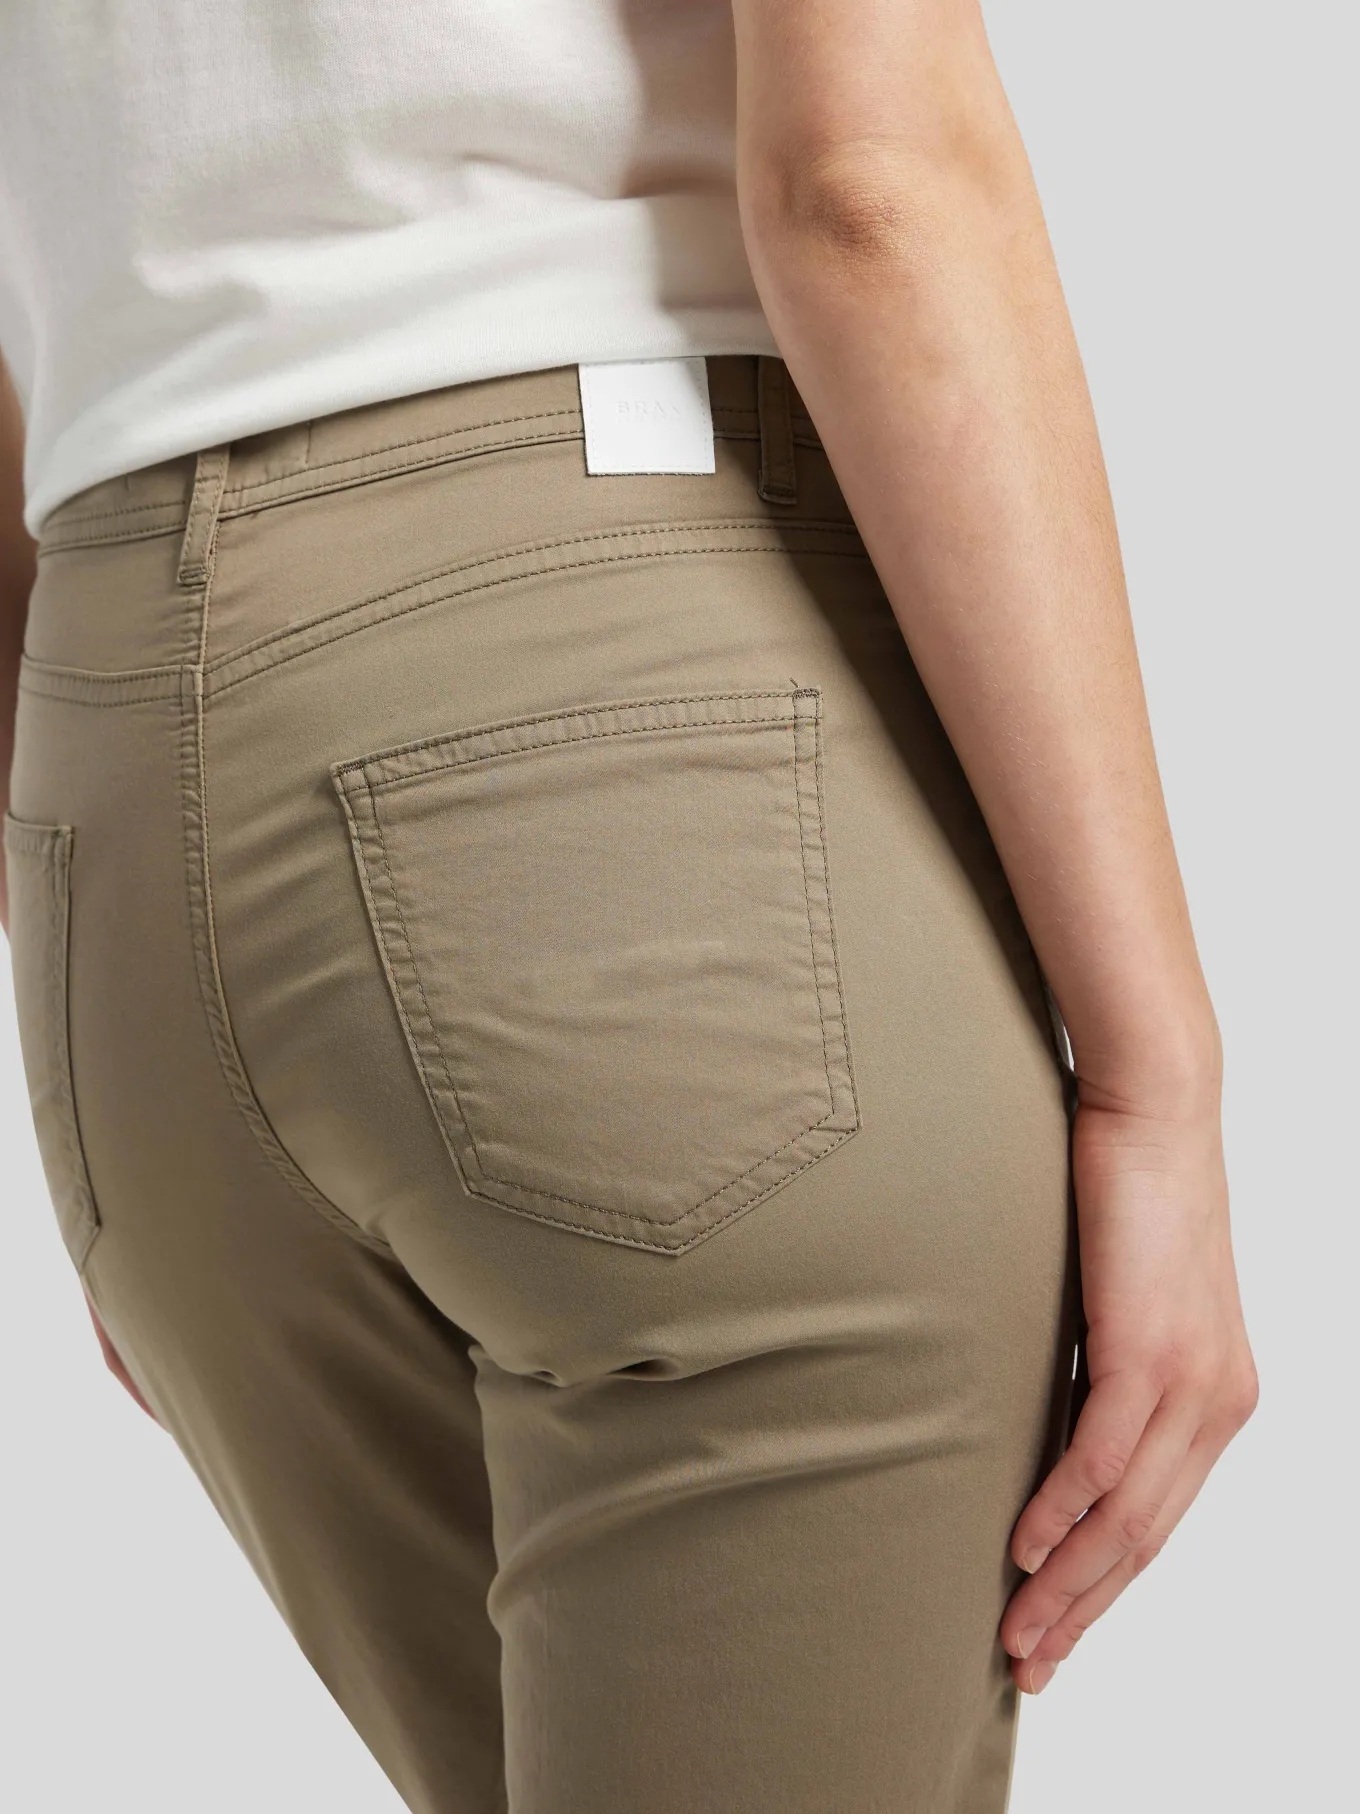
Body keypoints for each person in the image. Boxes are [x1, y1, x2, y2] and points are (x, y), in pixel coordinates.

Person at [0, 4, 1256, 1811]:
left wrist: (118, 1019)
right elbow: (867, 185)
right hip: (634, 745)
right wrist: (1155, 1071)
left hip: (107, 791)